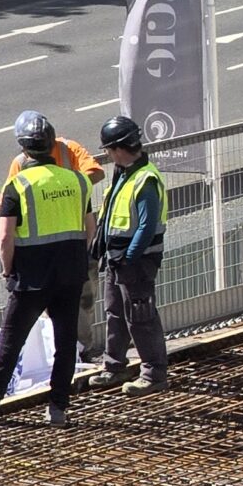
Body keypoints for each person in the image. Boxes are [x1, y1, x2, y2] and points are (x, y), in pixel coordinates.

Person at [0, 110, 95, 426]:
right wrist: (78, 259)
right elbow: (89, 228)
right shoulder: (78, 181)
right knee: (66, 343)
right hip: (70, 274)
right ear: (51, 145)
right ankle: (58, 408)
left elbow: (5, 238)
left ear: (23, 149)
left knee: (10, 342)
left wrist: (8, 271)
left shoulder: (17, 185)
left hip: (30, 279)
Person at [85, 116, 169, 396]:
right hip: (117, 260)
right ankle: (115, 366)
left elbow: (146, 226)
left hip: (136, 263)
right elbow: (111, 216)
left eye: (108, 150)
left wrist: (130, 258)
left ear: (119, 148)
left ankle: (154, 374)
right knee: (116, 314)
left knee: (140, 317)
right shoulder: (124, 174)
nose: (106, 155)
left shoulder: (145, 180)